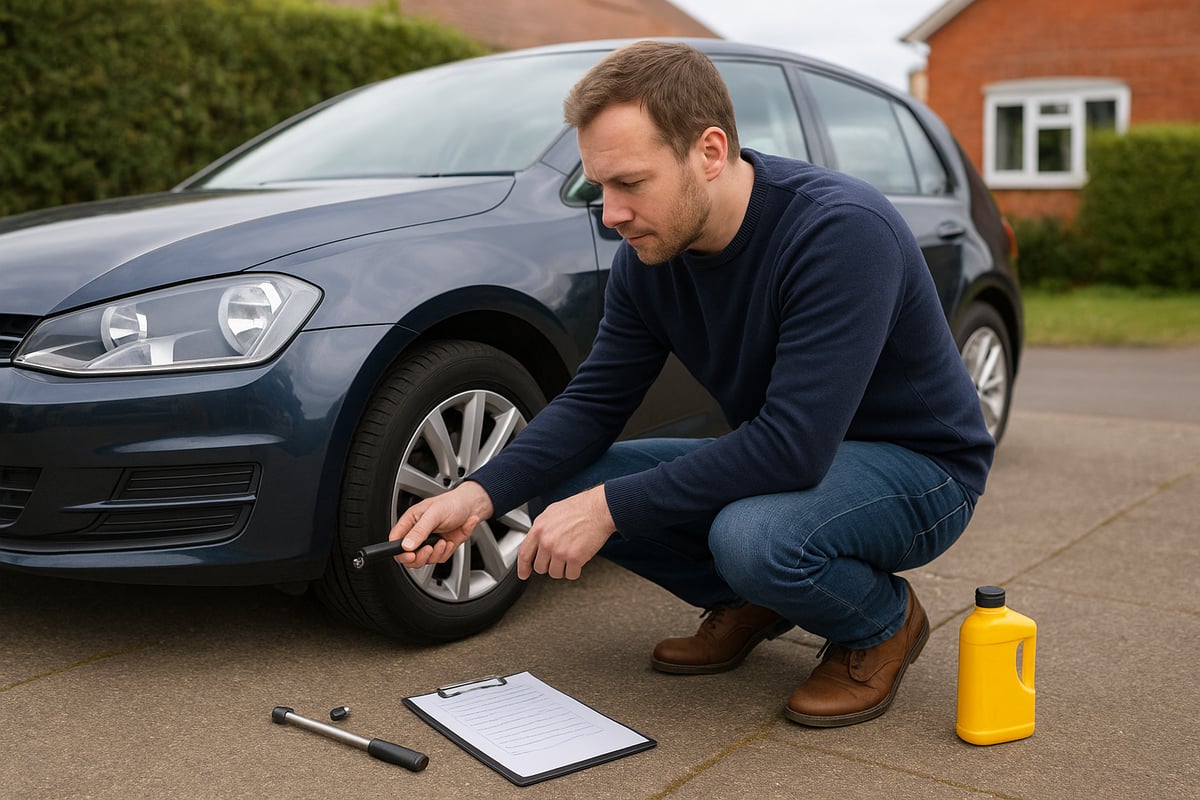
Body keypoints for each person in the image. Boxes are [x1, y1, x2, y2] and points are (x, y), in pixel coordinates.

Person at [386, 40, 994, 728]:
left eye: (630, 183)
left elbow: (793, 446)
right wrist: (478, 492)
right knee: (560, 484)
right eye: (600, 187)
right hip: (798, 461)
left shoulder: (840, 232)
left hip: (922, 471)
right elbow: (594, 403)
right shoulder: (651, 258)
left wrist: (609, 509)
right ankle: (758, 600)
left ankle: (880, 622)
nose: (610, 212)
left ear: (709, 151)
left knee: (753, 536)